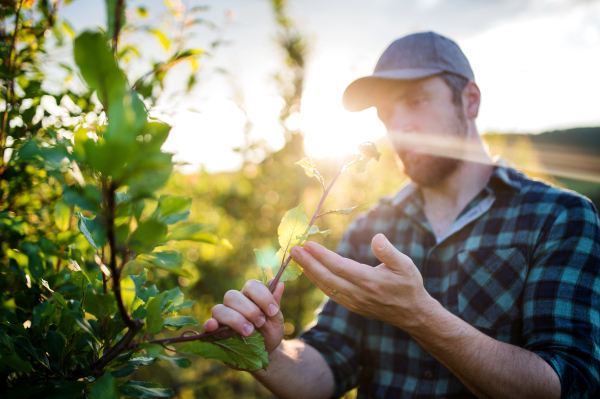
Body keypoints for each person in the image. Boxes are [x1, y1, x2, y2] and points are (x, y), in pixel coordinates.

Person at [201, 31, 600, 398]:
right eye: (386, 113)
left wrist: (419, 317)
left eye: (417, 101)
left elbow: (568, 384)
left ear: (470, 100)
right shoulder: (369, 229)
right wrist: (266, 351)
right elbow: (326, 370)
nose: (399, 127)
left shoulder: (559, 217)